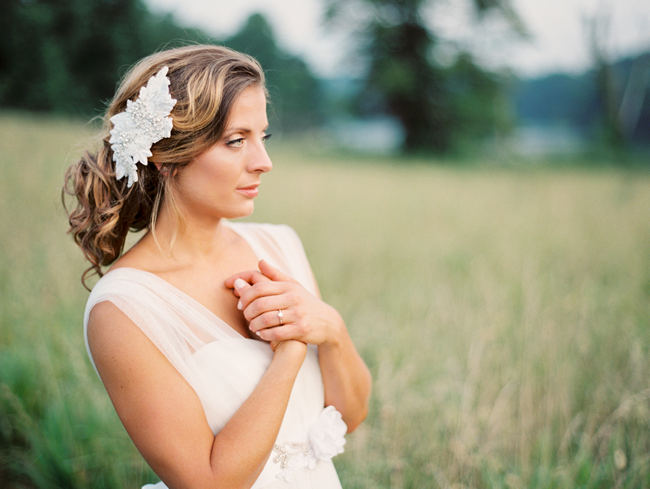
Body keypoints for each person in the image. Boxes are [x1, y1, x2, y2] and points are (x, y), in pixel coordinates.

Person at [63, 45, 371, 489]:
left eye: (263, 137)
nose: (263, 163)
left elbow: (350, 416)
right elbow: (208, 483)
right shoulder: (123, 308)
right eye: (236, 141)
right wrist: (290, 350)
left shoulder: (280, 245)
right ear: (166, 156)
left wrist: (330, 327)